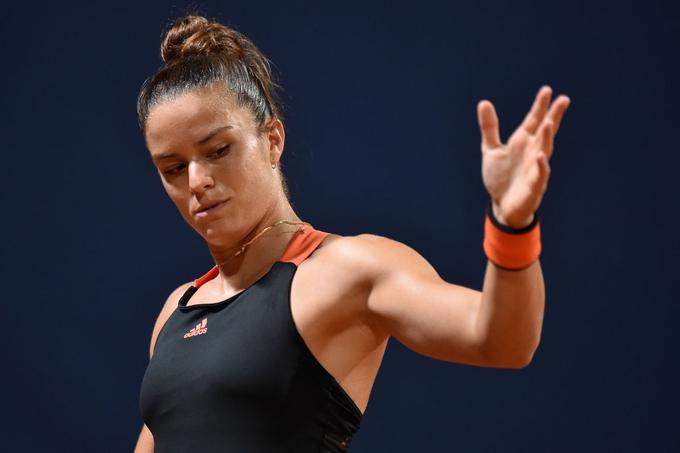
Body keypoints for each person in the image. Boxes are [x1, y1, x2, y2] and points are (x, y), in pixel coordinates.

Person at [133, 14, 570, 453]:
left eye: (218, 150)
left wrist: (512, 226)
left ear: (272, 139)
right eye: (173, 168)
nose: (196, 181)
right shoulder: (176, 311)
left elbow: (502, 341)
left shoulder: (347, 270)